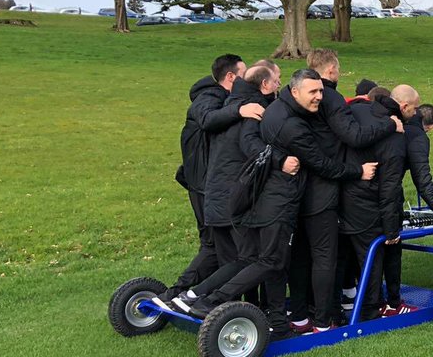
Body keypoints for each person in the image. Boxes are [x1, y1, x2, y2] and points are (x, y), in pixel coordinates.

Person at [186, 70, 366, 337]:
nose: (319, 96)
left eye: (321, 91)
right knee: (272, 261)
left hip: (264, 200)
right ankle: (209, 300)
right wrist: (358, 171)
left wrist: (277, 157)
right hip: (279, 202)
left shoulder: (274, 109)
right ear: (295, 92)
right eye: (313, 92)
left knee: (263, 260)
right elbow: (321, 164)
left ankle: (199, 297)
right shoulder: (292, 125)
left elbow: (252, 142)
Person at [158, 63, 282, 312]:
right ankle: (196, 297)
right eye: (278, 79)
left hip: (215, 194)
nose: (280, 83)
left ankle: (197, 299)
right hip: (227, 197)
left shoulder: (228, 106)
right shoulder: (229, 105)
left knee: (227, 256)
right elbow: (247, 147)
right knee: (250, 257)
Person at [291, 49, 397, 329]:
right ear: (330, 71)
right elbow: (354, 136)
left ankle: (307, 312)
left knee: (311, 254)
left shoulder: (297, 101)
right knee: (332, 254)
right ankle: (336, 315)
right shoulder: (332, 98)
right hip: (330, 186)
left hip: (299, 185)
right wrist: (389, 125)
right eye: (338, 70)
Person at [339, 87, 408, 322]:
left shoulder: (355, 110)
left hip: (338, 196)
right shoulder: (395, 137)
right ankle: (371, 309)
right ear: (404, 108)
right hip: (365, 203)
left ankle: (337, 305)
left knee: (343, 256)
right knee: (372, 256)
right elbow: (390, 187)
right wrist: (391, 230)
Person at [379, 85, 433, 316]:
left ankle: (357, 297)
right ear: (406, 106)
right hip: (386, 197)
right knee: (391, 246)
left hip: (358, 193)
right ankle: (393, 303)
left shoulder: (377, 120)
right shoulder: (415, 135)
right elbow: (422, 180)